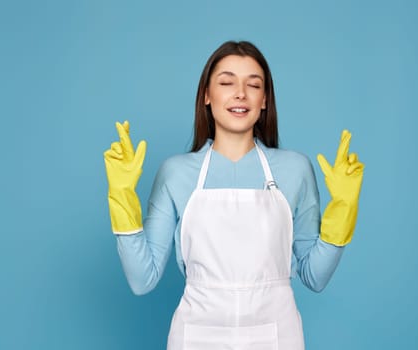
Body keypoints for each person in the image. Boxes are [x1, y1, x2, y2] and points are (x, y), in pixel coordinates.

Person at [104, 40, 364, 350]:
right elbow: (141, 280)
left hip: (276, 335)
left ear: (264, 100)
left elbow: (315, 277)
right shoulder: (176, 173)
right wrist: (121, 195)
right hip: (197, 335)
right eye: (226, 82)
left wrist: (343, 209)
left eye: (253, 85)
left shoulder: (295, 169)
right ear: (207, 96)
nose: (240, 93)